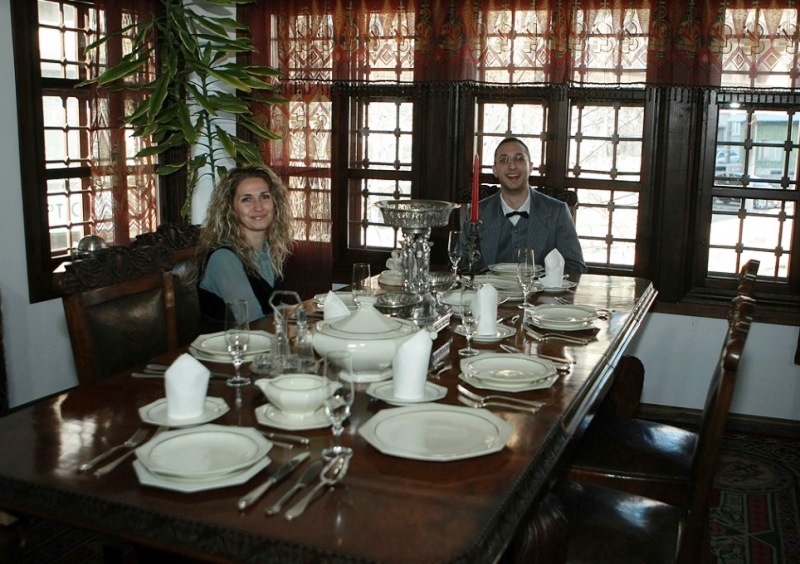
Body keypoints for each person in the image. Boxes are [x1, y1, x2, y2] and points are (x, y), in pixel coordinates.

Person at [460, 137, 588, 275]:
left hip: (540, 289)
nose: (512, 166)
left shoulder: (557, 212)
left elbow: (576, 268)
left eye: (519, 158)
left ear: (530, 167)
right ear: (495, 170)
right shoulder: (477, 213)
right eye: (504, 160)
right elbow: (461, 265)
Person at [195, 165, 294, 332]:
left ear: (275, 203)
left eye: (265, 196)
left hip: (262, 342)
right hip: (230, 347)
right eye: (246, 199)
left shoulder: (268, 249)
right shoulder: (224, 259)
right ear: (230, 208)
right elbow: (254, 321)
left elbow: (271, 307)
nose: (258, 206)